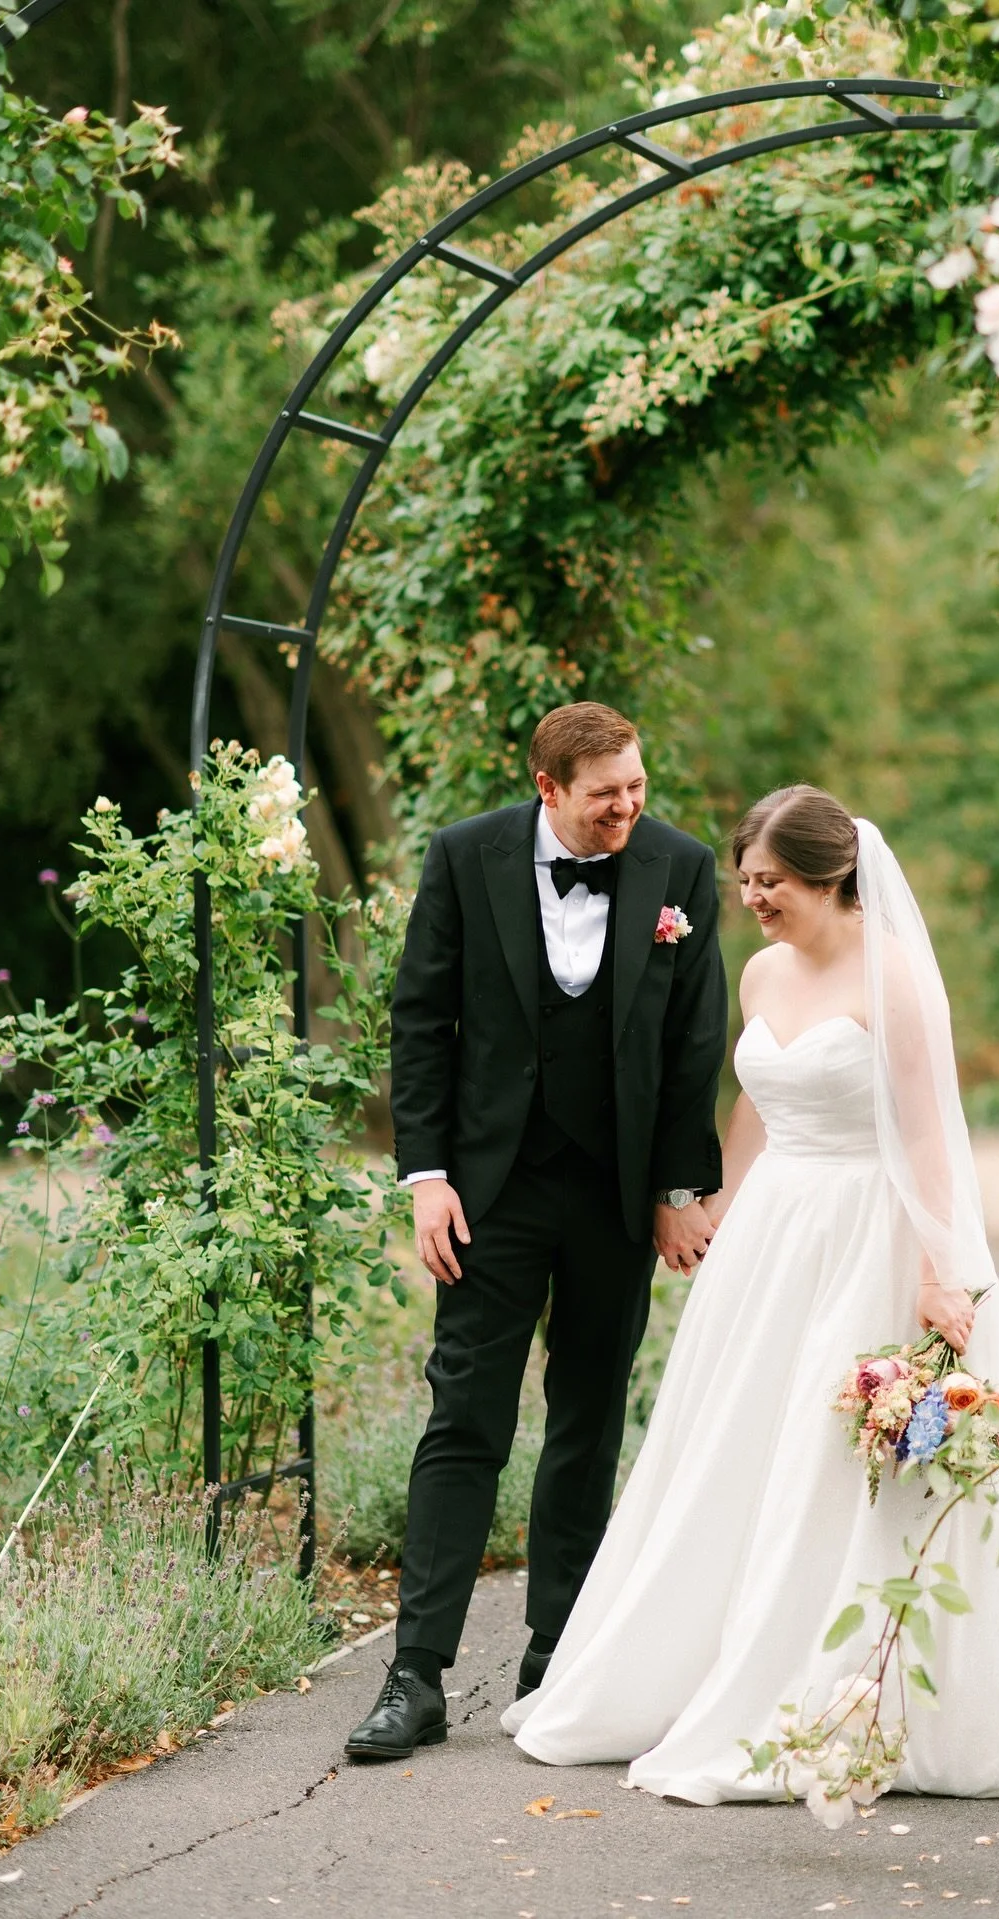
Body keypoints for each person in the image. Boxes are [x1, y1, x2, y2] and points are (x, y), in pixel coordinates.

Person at [503, 785, 999, 1804]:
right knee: (738, 1444)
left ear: (829, 877)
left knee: (837, 1455)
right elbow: (760, 1105)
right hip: (775, 1238)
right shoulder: (761, 972)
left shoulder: (893, 974)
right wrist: (717, 1203)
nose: (754, 898)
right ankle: (699, 1666)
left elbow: (930, 1129)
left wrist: (943, 1265)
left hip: (871, 1229)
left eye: (773, 882)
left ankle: (848, 1688)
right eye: (748, 881)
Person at [345, 702, 727, 1762]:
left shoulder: (680, 868)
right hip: (489, 1193)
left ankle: (558, 1659)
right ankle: (414, 1676)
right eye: (608, 792)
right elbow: (421, 1018)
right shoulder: (466, 856)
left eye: (638, 786)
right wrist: (426, 1176)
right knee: (463, 1415)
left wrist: (681, 1185)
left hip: (615, 1194)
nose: (630, 807)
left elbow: (697, 1037)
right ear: (549, 784)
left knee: (588, 1419)